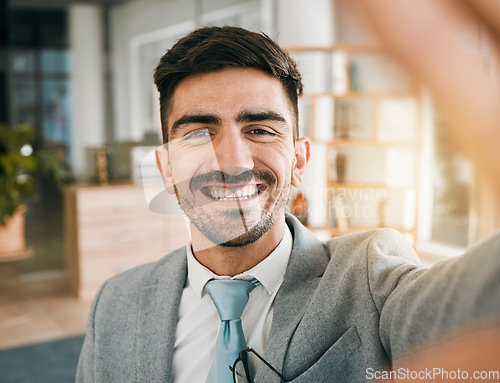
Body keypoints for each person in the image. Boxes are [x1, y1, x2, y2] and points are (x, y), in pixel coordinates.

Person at [76, 26, 500, 383]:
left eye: (259, 129)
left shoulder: (370, 276)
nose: (233, 162)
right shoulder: (115, 302)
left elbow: (475, 308)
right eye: (198, 133)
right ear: (166, 168)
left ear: (298, 161)